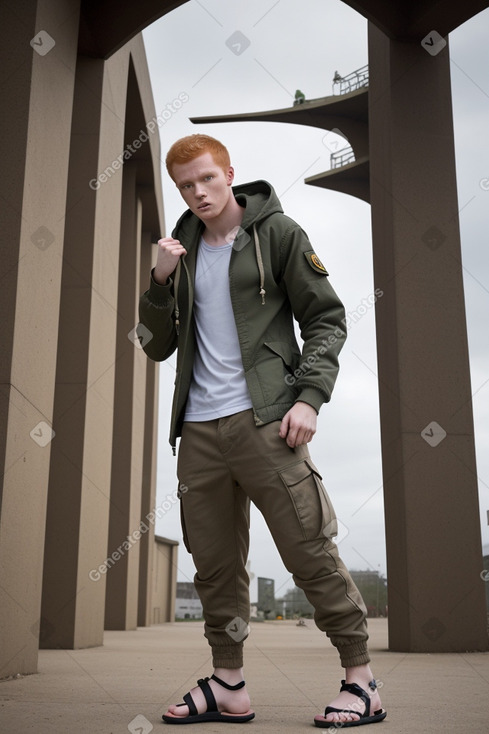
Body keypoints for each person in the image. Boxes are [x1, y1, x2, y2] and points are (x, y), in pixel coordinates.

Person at [138, 133, 386, 728]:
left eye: (207, 178)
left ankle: (362, 681)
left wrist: (308, 398)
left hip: (268, 422)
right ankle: (228, 684)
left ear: (229, 173)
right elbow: (155, 345)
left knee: (307, 548)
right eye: (186, 185)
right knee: (216, 565)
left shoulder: (278, 233)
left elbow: (327, 318)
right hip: (198, 429)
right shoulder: (184, 249)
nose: (198, 192)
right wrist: (157, 281)